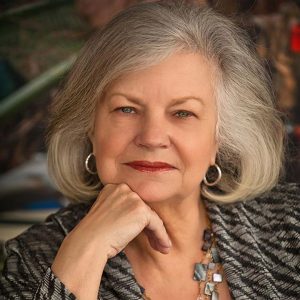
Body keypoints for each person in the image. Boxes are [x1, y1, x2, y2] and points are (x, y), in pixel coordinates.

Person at [1, 1, 299, 299]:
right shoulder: (31, 261)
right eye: (126, 109)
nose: (152, 137)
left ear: (219, 139)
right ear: (90, 128)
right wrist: (85, 253)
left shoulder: (290, 227)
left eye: (183, 113)